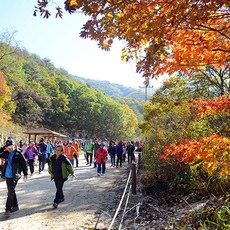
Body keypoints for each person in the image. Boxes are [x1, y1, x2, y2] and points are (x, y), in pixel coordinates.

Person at [0, 138, 28, 217]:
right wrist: (3, 148)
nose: (9, 149)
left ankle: (8, 209)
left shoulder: (18, 154)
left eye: (10, 147)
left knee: (10, 192)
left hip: (15, 176)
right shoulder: (5, 153)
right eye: (7, 147)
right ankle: (15, 206)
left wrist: (25, 174)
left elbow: (24, 164)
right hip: (7, 176)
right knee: (11, 191)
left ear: (14, 145)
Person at [48, 144, 75, 208]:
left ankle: (56, 201)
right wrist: (50, 172)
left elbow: (69, 165)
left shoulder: (64, 158)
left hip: (62, 176)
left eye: (59, 150)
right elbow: (50, 165)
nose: (57, 152)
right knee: (58, 188)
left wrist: (72, 172)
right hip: (55, 176)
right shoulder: (52, 157)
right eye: (56, 150)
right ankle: (62, 197)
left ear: (62, 151)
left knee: (58, 188)